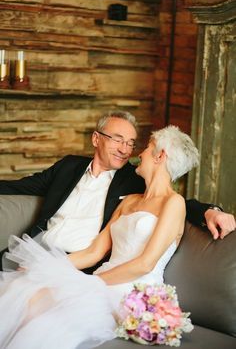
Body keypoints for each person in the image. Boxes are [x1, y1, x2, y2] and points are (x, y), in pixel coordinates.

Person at [0, 125, 199, 348]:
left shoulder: (174, 203)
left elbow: (145, 264)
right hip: (99, 278)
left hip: (131, 291)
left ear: (160, 156)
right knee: (28, 294)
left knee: (46, 316)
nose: (138, 153)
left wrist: (91, 283)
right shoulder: (130, 200)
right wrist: (45, 266)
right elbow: (94, 252)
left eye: (146, 147)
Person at [0, 111, 235, 271]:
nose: (125, 149)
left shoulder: (132, 179)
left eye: (131, 142)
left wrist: (211, 211)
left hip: (76, 264)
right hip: (33, 248)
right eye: (118, 139)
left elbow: (175, 202)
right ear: (96, 139)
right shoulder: (68, 166)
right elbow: (21, 185)